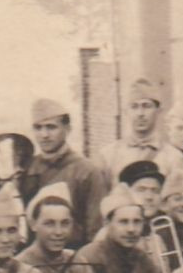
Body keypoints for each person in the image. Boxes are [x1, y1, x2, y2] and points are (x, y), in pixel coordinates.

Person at [28, 97, 111, 247]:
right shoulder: (27, 168)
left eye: (51, 127)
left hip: (74, 257)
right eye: (38, 128)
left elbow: (96, 229)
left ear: (67, 129)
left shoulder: (87, 171)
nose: (44, 135)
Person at [98, 77, 170, 183]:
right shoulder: (108, 156)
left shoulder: (173, 157)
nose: (140, 113)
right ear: (126, 111)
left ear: (158, 111)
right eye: (134, 107)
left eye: (147, 106)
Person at [119, 160, 167, 224]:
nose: (149, 197)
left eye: (155, 191)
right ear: (126, 193)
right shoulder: (113, 229)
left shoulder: (170, 225)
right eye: (141, 190)